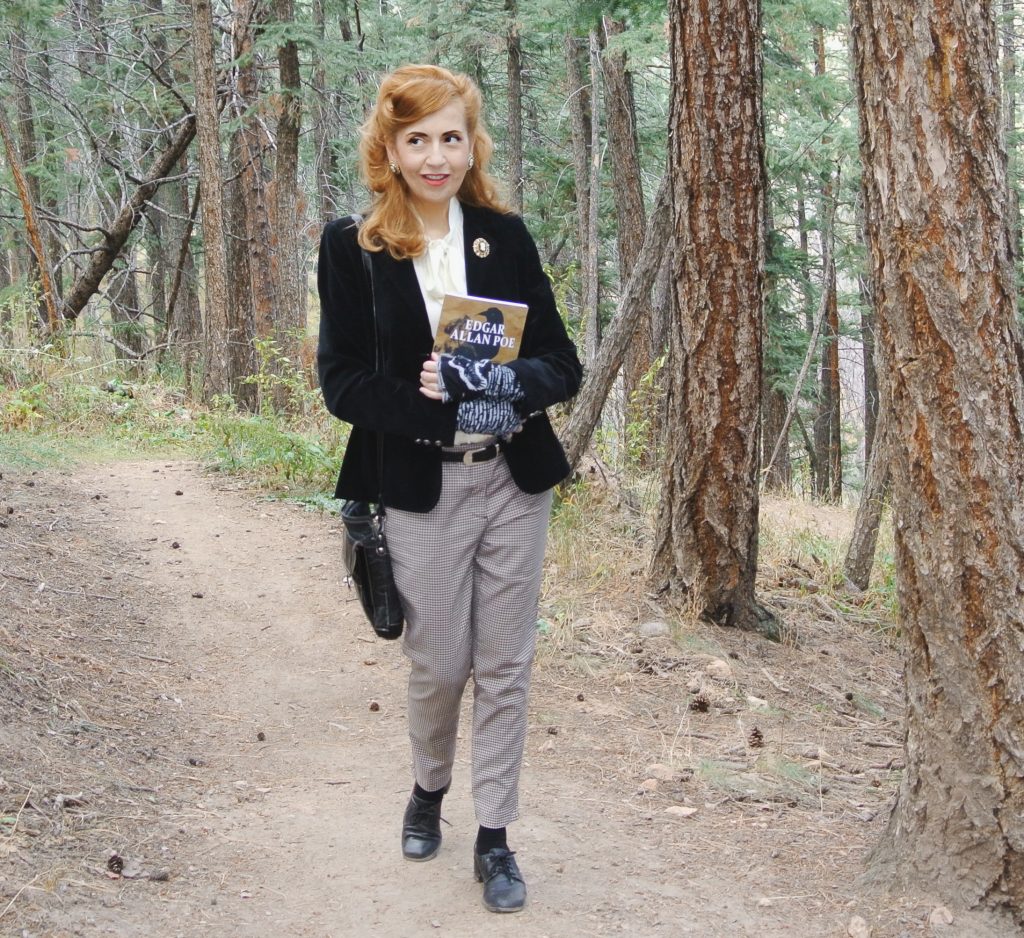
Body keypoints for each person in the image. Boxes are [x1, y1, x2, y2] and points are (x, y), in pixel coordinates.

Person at [316, 64, 582, 913]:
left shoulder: (503, 236)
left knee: (506, 665)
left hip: (513, 477)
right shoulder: (353, 248)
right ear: (389, 149)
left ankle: (496, 836)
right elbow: (343, 384)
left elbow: (562, 362)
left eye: (451, 137)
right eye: (418, 139)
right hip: (420, 482)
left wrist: (510, 388)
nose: (437, 157)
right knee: (439, 662)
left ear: (473, 144)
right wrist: (428, 401)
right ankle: (429, 787)